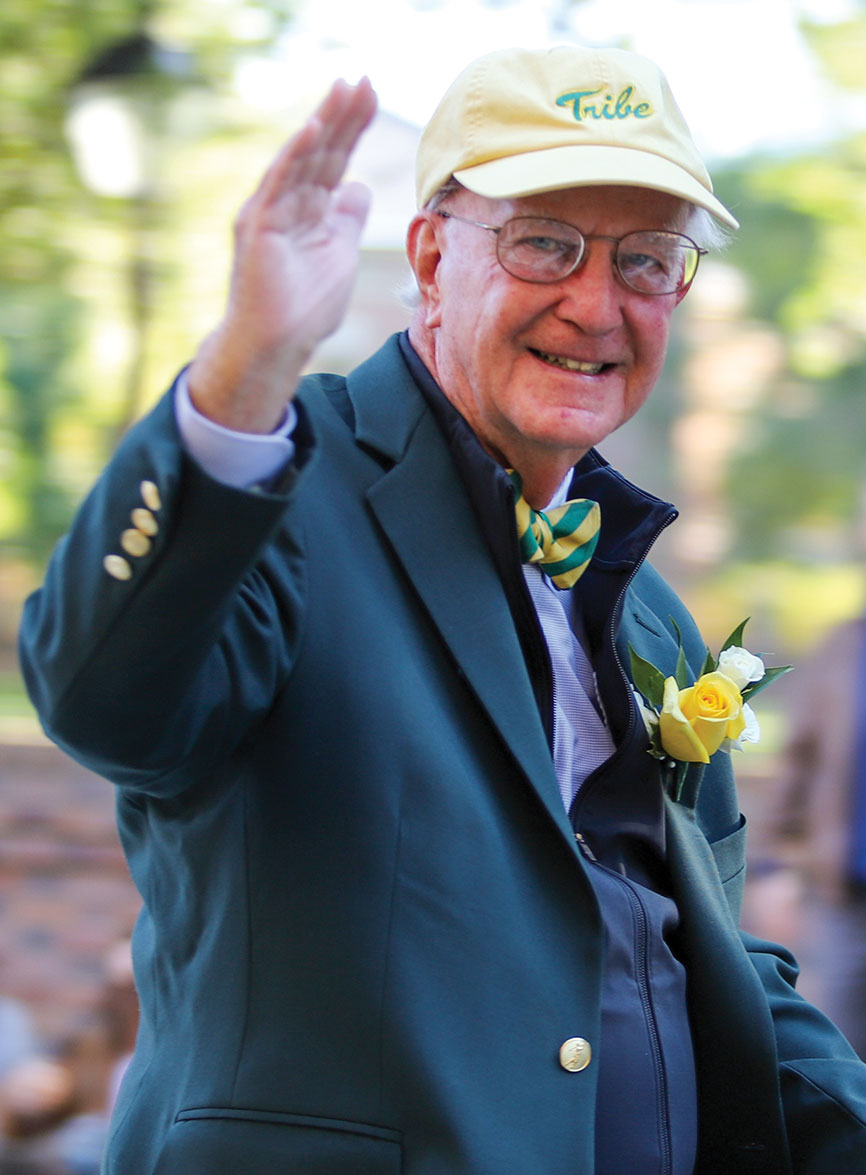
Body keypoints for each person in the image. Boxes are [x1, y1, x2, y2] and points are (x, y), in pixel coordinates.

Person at [18, 43, 866, 1174]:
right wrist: (241, 372)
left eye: (647, 259)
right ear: (429, 257)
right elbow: (103, 701)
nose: (593, 302)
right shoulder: (273, 482)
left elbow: (695, 955)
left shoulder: (654, 613)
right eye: (543, 243)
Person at [747, 603, 866, 1059]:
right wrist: (771, 866)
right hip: (847, 896)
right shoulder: (845, 645)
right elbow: (800, 759)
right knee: (836, 1049)